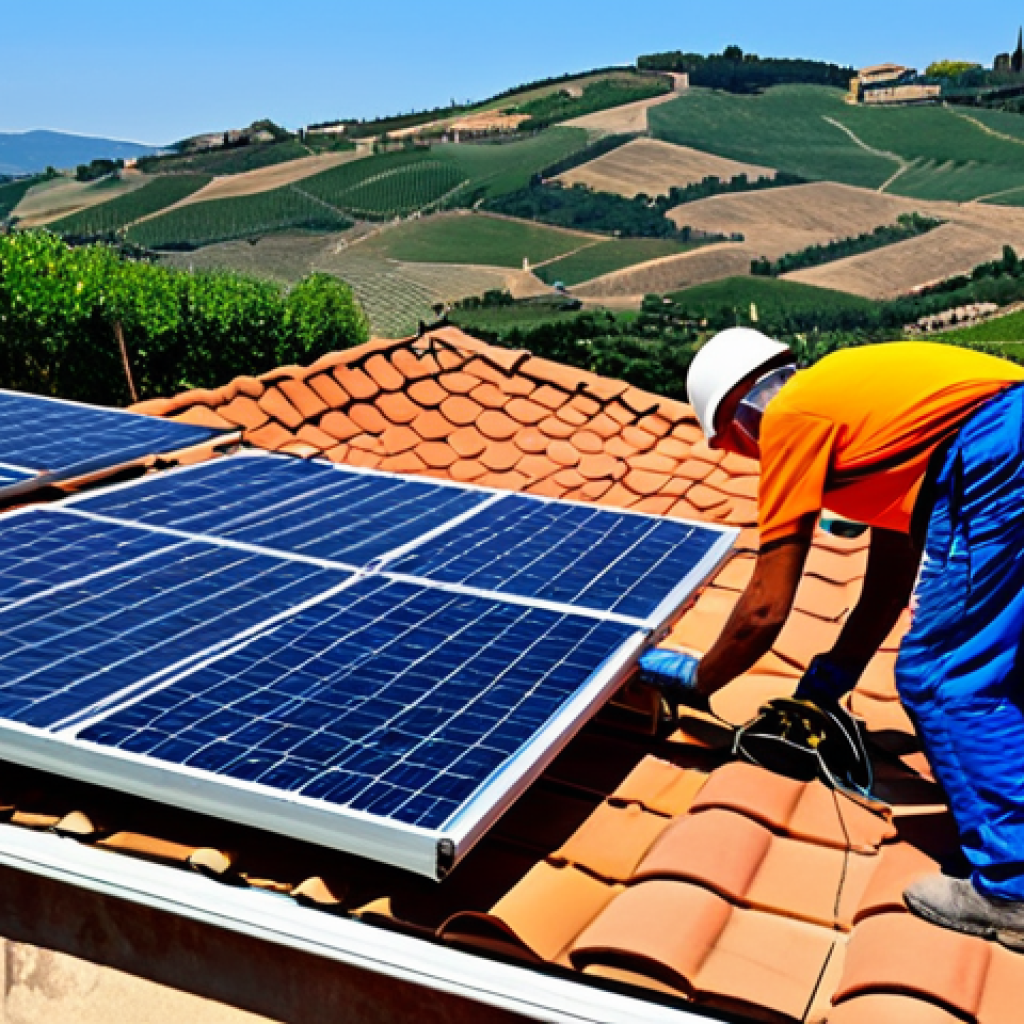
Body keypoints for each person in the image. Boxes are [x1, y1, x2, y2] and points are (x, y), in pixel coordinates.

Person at [639, 328, 1024, 949]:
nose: (747, 457)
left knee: (943, 679)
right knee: (1003, 664)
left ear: (741, 418)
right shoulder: (863, 416)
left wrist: (699, 680)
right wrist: (832, 677)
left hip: (999, 450)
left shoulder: (793, 415)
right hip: (1007, 436)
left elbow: (765, 606)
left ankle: (1012, 888)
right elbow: (890, 580)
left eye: (736, 445)